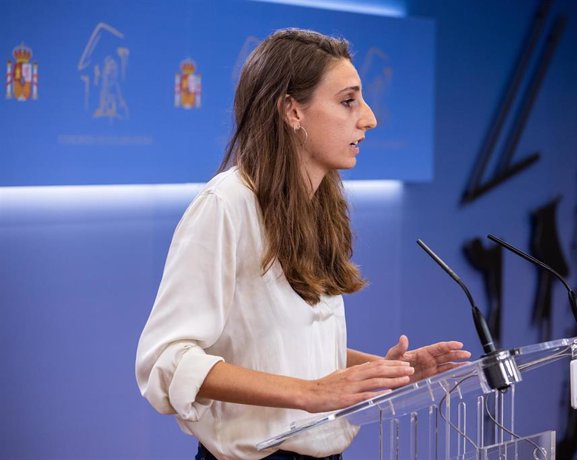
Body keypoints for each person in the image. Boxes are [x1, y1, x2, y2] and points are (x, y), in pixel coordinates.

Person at [135, 28, 471, 460]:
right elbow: (167, 361)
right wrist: (309, 393)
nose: (369, 118)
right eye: (348, 100)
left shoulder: (318, 206)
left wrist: (385, 373)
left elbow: (282, 346)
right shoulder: (226, 205)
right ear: (293, 111)